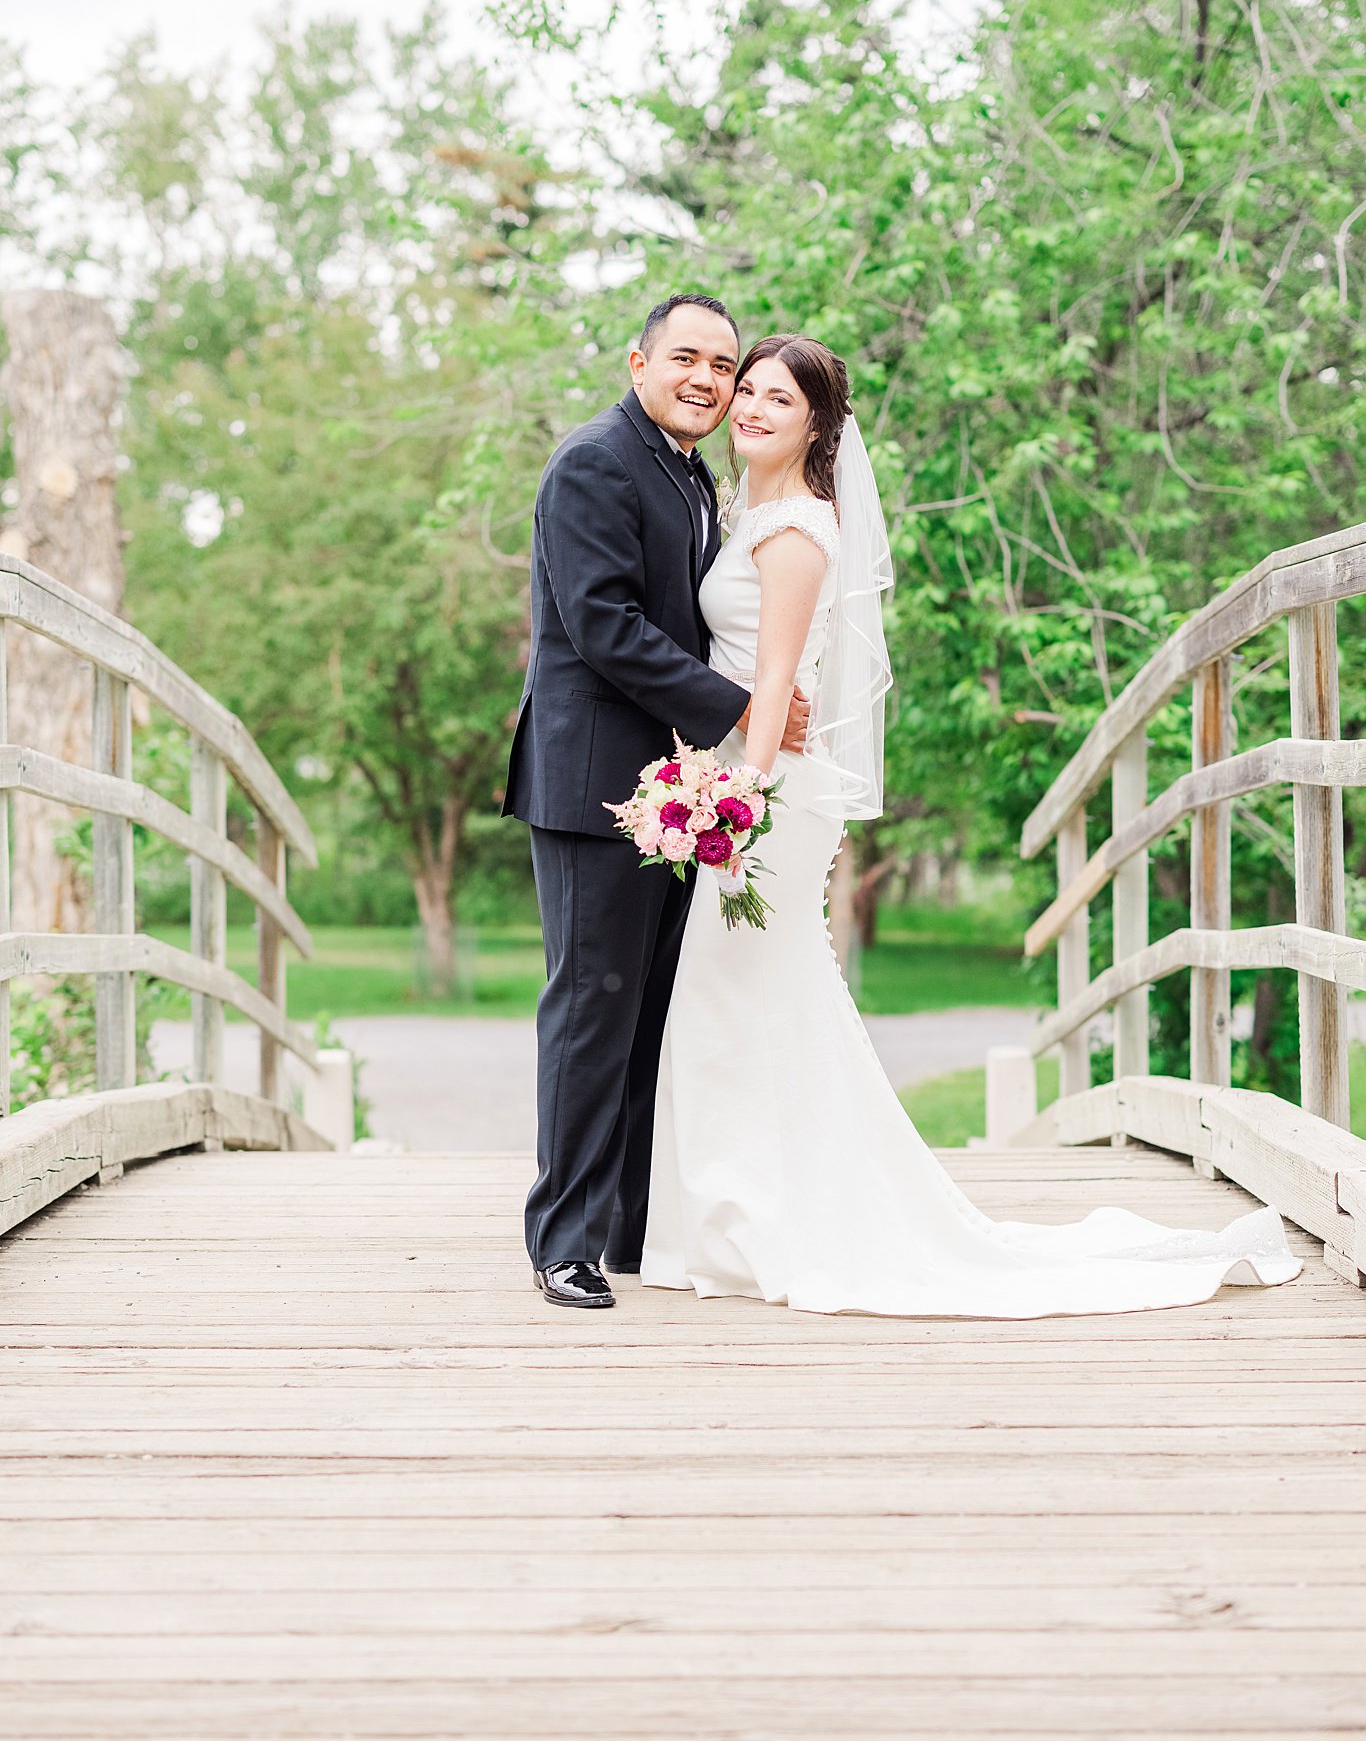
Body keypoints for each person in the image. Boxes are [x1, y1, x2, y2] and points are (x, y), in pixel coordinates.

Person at [640, 335, 1302, 1317]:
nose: (749, 408)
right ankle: (743, 1214)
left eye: (778, 399)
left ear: (818, 423)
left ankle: (755, 1220)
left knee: (730, 1002)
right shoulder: (753, 511)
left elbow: (777, 677)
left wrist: (734, 797)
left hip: (765, 795)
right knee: (754, 1004)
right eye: (748, 392)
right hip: (757, 780)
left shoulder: (793, 531)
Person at [503, 294, 811, 1308]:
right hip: (595, 780)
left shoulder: (683, 474)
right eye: (688, 357)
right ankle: (562, 1241)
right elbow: (603, 626)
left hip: (673, 789)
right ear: (639, 360)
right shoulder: (596, 460)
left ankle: (623, 1222)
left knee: (643, 1012)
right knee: (592, 1003)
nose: (707, 379)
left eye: (723, 366)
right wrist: (743, 706)